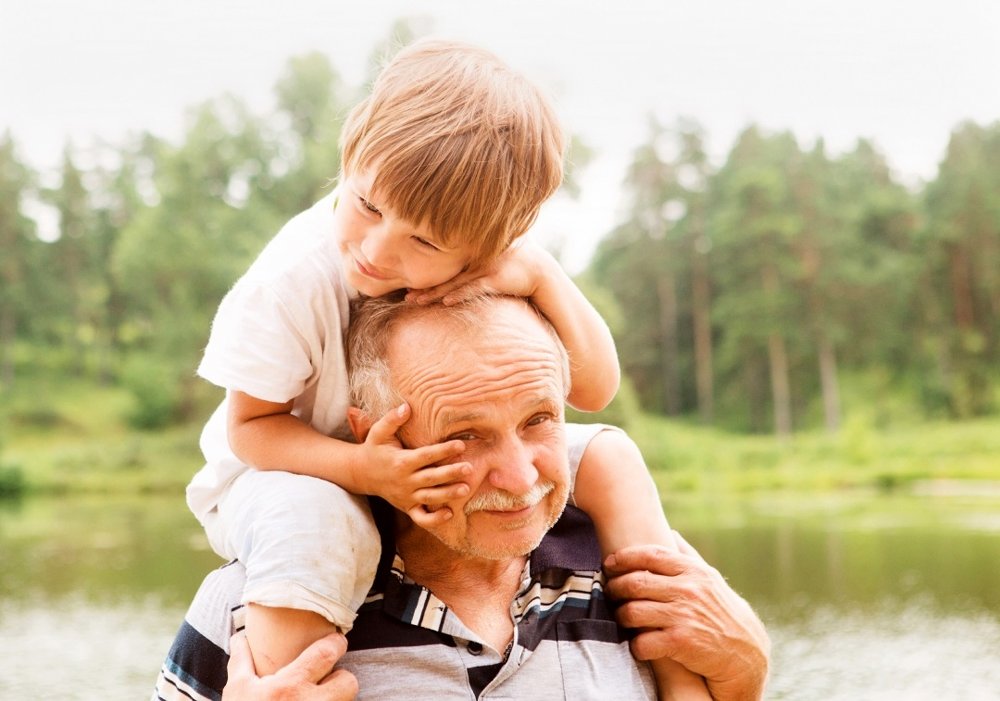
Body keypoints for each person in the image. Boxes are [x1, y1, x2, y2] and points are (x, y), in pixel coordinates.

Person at [184, 36, 711, 695]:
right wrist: (362, 469)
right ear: (351, 153)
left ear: (485, 242)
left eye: (423, 241)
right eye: (367, 205)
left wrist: (540, 274)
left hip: (408, 447)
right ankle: (284, 680)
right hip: (287, 467)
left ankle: (684, 682)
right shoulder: (291, 281)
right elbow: (250, 431)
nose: (375, 249)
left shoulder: (483, 240)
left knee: (610, 457)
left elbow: (596, 388)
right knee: (315, 519)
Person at [155, 295, 770, 701]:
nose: (519, 477)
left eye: (538, 420)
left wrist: (745, 676)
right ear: (375, 435)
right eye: (464, 435)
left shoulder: (637, 570)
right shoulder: (264, 607)